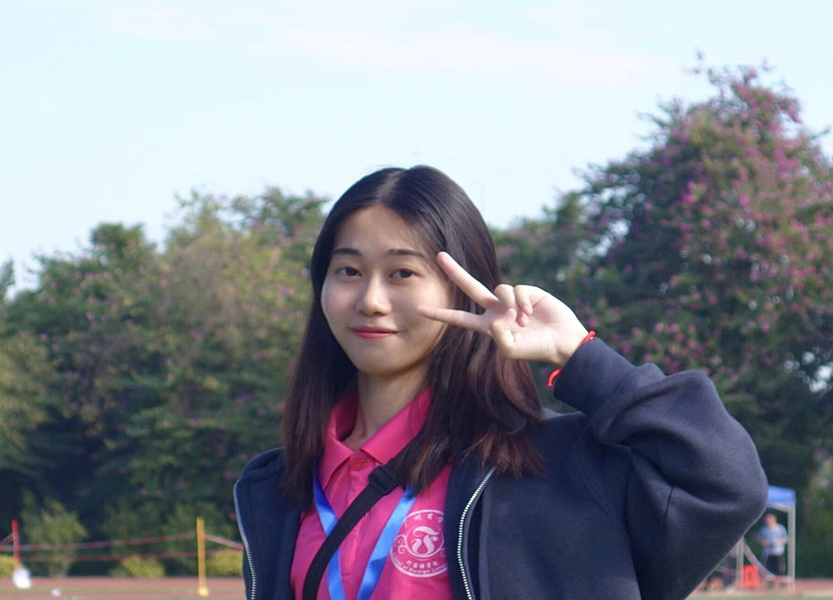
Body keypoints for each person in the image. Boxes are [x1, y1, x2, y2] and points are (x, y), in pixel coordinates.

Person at [234, 165, 768, 600]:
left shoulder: (554, 466)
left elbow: (725, 484)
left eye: (402, 273)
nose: (371, 300)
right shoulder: (280, 487)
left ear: (462, 291)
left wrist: (579, 355)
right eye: (348, 271)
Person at [757, 512, 788, 581]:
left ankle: (781, 581)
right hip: (768, 552)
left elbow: (785, 538)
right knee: (769, 568)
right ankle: (770, 581)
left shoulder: (780, 528)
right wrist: (764, 542)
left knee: (779, 568)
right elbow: (759, 538)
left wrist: (778, 542)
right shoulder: (764, 529)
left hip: (778, 551)